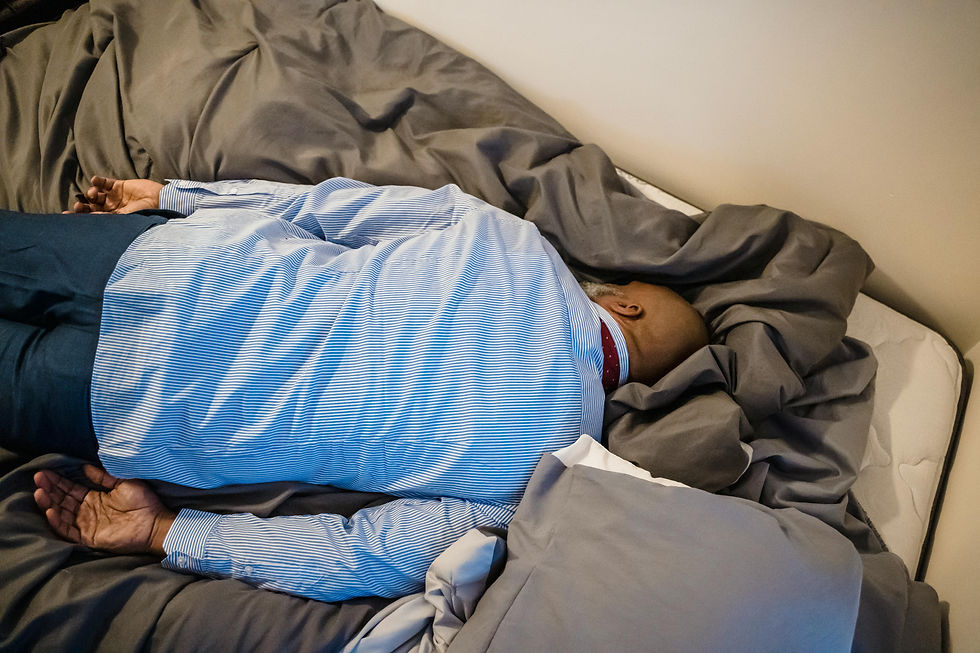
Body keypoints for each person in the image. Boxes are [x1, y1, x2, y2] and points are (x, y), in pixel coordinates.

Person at [3, 175, 708, 601]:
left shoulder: (516, 240)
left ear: (626, 304)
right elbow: (357, 554)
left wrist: (176, 195)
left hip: (169, 263)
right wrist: (164, 531)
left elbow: (326, 208)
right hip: (135, 405)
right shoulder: (539, 473)